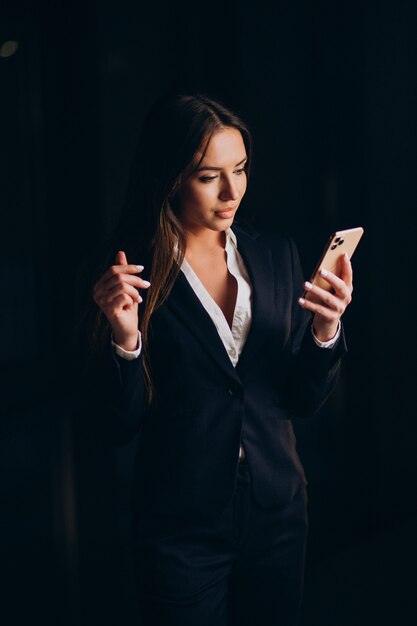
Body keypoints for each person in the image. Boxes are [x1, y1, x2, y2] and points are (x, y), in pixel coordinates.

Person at [83, 93, 352, 626]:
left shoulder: (275, 253)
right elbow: (118, 425)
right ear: (171, 177)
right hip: (179, 528)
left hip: (276, 512)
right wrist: (125, 341)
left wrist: (326, 328)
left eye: (241, 170)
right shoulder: (127, 273)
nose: (232, 192)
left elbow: (299, 398)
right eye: (209, 177)